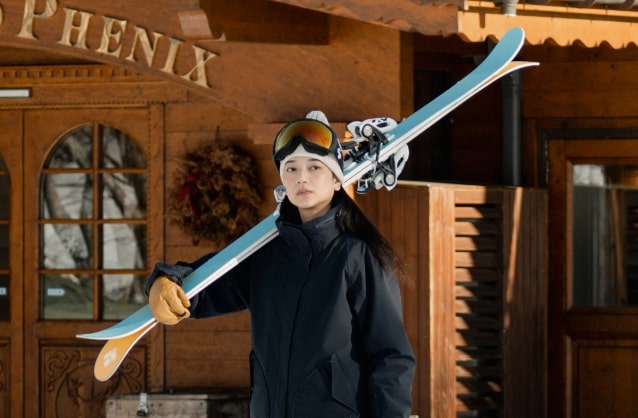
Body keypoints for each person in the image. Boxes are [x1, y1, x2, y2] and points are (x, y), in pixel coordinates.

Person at [146, 111, 416, 418]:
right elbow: (210, 284)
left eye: (314, 167)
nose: (302, 177)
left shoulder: (358, 256)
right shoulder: (265, 255)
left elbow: (391, 356)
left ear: (336, 180)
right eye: (292, 168)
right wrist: (167, 281)